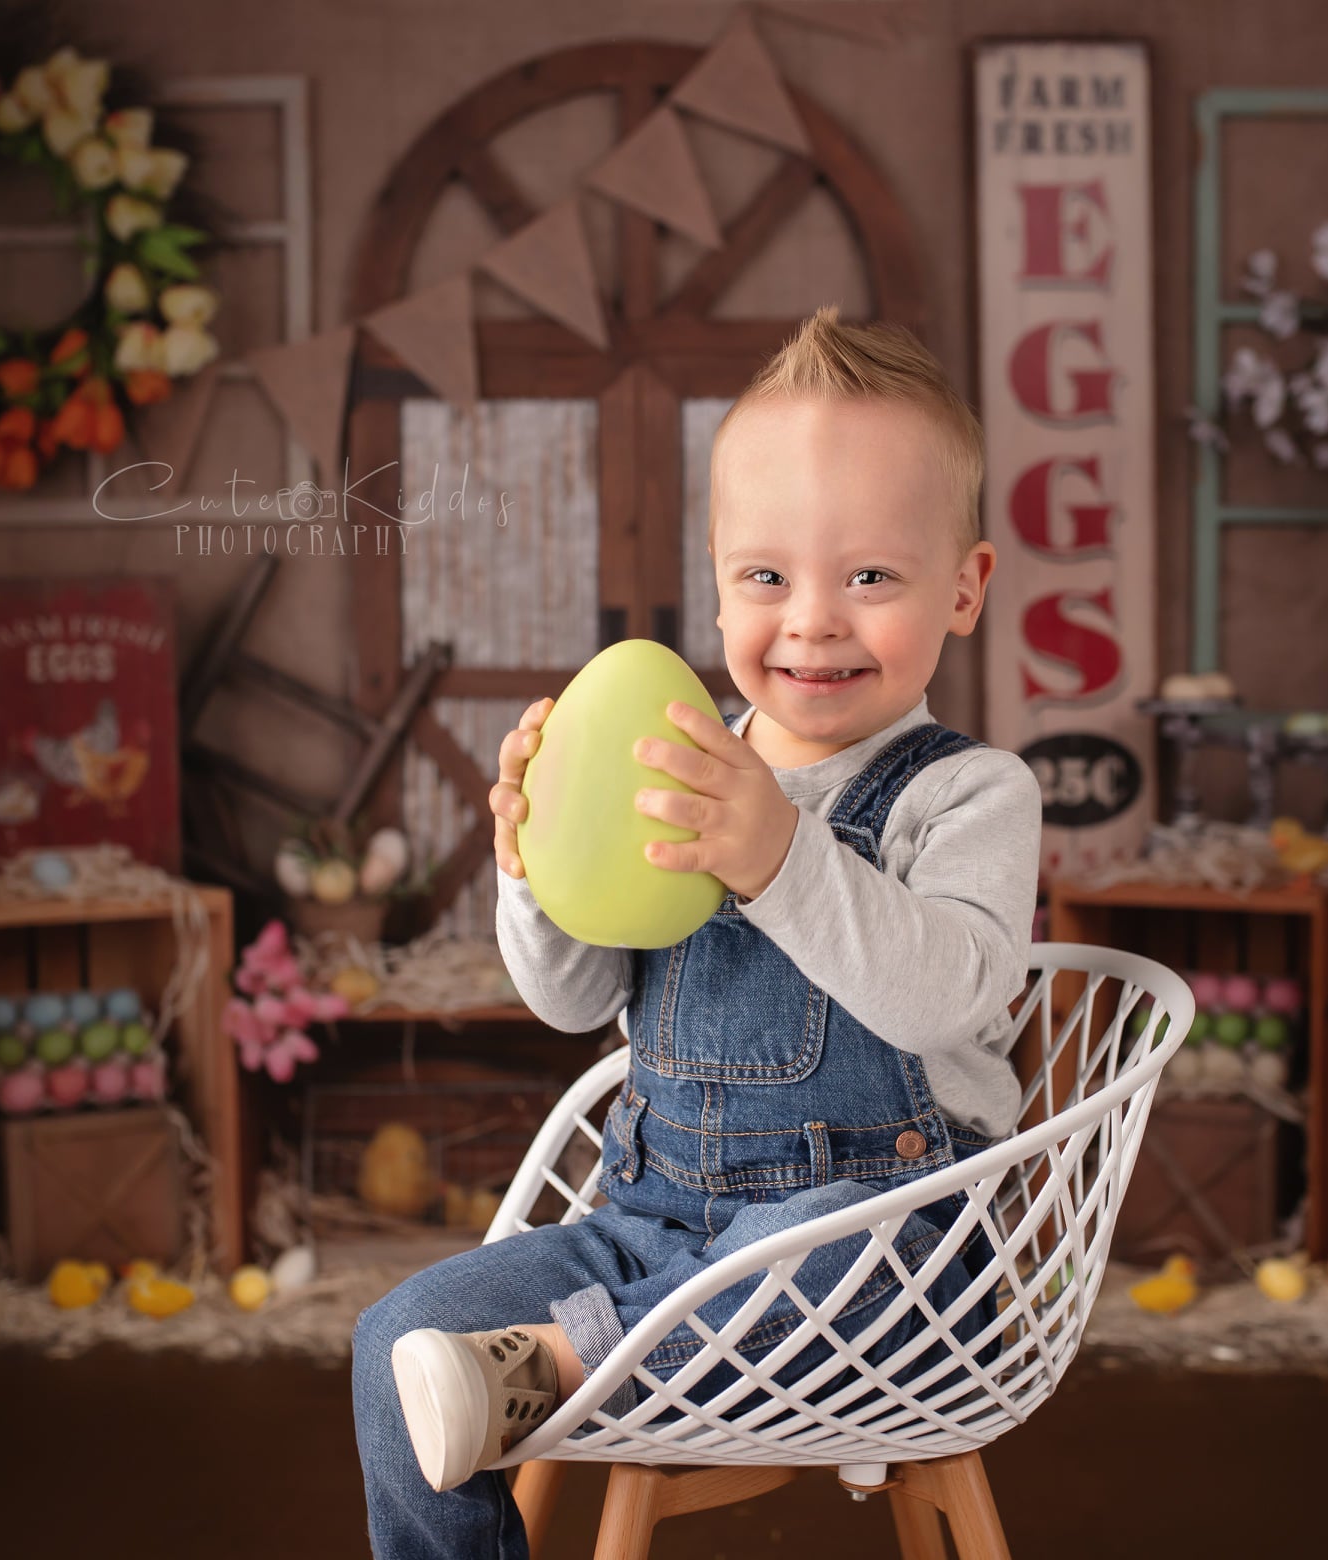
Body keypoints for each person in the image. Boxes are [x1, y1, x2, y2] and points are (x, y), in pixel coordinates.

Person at [352, 304, 1043, 1559]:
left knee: (801, 1259)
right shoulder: (672, 763)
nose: (814, 619)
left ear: (965, 587)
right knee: (399, 1343)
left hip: (891, 1253)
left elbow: (954, 994)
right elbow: (573, 1003)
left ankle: (560, 1362)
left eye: (871, 576)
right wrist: (535, 869)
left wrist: (779, 852)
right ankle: (559, 1357)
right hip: (649, 1226)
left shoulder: (969, 793)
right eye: (767, 577)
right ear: (716, 575)